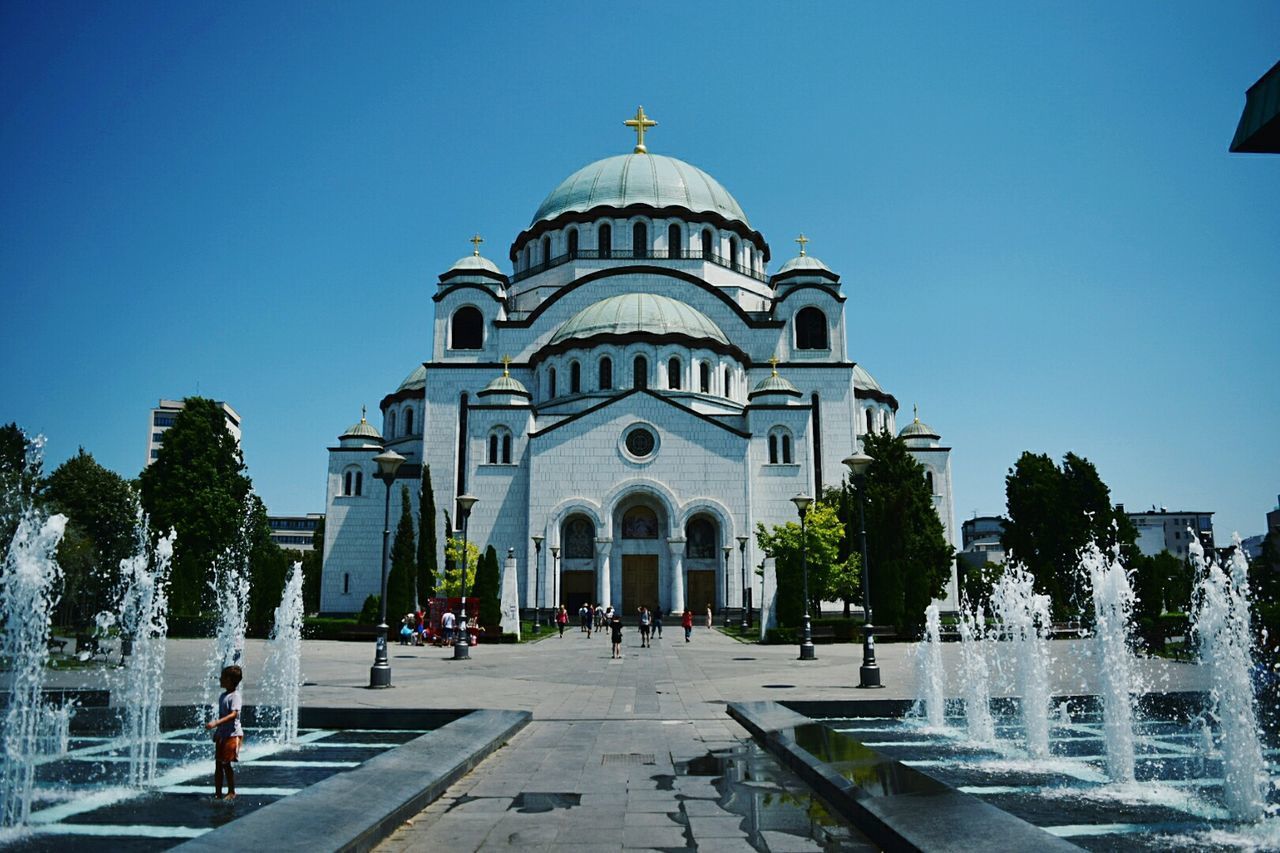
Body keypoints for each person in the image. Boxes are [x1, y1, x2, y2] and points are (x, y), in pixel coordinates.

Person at [204, 664, 243, 801]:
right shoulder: (223, 696)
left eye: (223, 678)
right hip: (223, 735)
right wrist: (218, 732)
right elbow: (223, 715)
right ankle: (218, 793)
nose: (220, 680)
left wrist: (215, 723)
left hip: (233, 735)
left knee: (226, 764)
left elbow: (233, 715)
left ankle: (232, 791)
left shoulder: (235, 696)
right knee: (218, 764)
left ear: (230, 680)